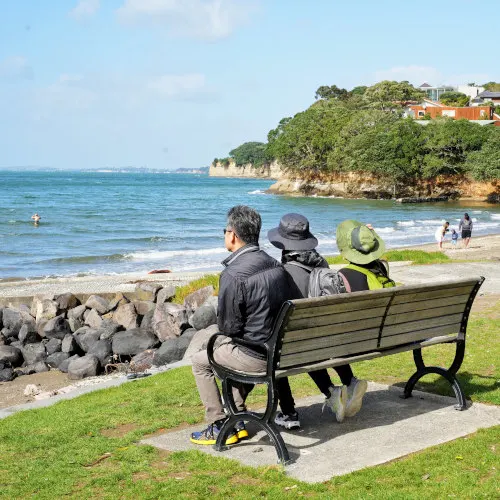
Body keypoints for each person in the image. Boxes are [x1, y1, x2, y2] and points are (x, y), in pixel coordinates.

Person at [190, 205, 289, 446]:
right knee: (225, 347)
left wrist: (223, 336)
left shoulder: (233, 274)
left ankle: (218, 422)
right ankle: (237, 417)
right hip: (282, 352)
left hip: (258, 356)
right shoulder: (275, 265)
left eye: (225, 231)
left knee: (201, 361)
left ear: (232, 235)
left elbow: (228, 327)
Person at [268, 213, 368, 429]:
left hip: (300, 344)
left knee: (276, 349)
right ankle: (347, 383)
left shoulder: (283, 272)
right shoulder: (321, 262)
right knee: (311, 341)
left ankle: (290, 412)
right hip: (330, 337)